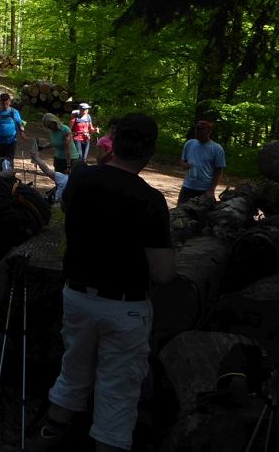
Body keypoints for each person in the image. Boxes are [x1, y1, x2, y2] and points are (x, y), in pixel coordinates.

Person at [29, 113, 175, 452]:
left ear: (114, 143)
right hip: (124, 307)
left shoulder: (82, 177)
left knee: (73, 369)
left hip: (78, 295)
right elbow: (163, 273)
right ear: (150, 150)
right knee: (118, 389)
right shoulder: (150, 200)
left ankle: (50, 433)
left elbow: (69, 209)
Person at [178, 120, 226, 204]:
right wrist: (185, 165)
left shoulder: (217, 148)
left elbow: (219, 171)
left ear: (209, 131)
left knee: (202, 212)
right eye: (197, 129)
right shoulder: (189, 144)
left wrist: (211, 190)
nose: (198, 131)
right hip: (187, 187)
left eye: (202, 129)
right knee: (180, 210)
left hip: (204, 190)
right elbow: (182, 161)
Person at [0, 93, 26, 164]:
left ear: (9, 101)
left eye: (6, 100)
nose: (4, 102)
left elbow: (19, 123)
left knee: (9, 161)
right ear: (0, 101)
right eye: (3, 100)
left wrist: (22, 132)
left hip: (11, 141)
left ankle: (9, 171)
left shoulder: (14, 112)